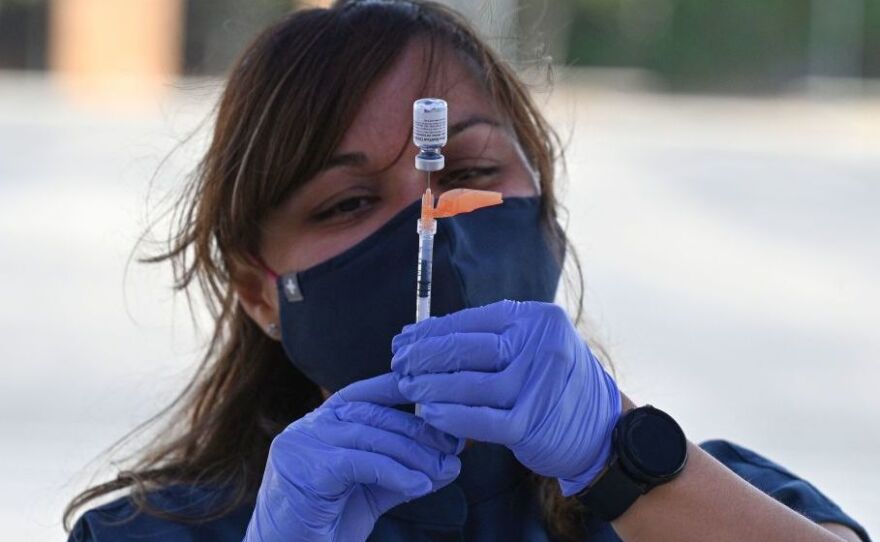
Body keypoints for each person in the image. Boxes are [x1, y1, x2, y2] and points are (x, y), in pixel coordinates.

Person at [64, 1, 870, 541]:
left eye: (472, 173)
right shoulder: (145, 532)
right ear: (257, 289)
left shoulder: (709, 502)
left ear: (546, 210)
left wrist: (628, 466)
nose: (429, 222)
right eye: (346, 203)